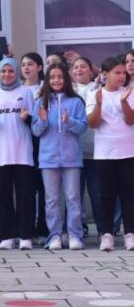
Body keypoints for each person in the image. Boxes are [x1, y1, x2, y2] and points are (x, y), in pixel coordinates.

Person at [32, 63, 87, 250]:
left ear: (66, 79)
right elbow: (36, 131)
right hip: (48, 159)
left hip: (72, 158)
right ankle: (54, 235)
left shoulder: (76, 101)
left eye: (60, 77)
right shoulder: (40, 102)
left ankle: (74, 235)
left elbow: (82, 128)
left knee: (73, 198)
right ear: (47, 80)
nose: (56, 80)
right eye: (52, 77)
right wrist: (43, 120)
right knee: (52, 199)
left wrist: (68, 121)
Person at [0, 57, 36, 250]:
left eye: (11, 71)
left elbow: (35, 121)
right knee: (3, 196)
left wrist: (27, 118)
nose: (7, 75)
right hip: (0, 154)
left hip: (23, 153)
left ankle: (25, 236)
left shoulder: (26, 92)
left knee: (26, 196)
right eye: (3, 71)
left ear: (16, 73)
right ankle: (7, 235)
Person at [85, 57, 134, 251]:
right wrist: (98, 104)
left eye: (124, 73)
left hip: (128, 151)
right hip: (104, 153)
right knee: (105, 195)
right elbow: (93, 123)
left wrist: (123, 103)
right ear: (105, 75)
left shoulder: (129, 92)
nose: (122, 76)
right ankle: (107, 234)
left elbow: (131, 120)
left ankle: (130, 233)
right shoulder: (94, 94)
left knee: (129, 195)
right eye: (117, 73)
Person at [21, 52, 50, 242]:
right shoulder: (17, 90)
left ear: (39, 67)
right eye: (23, 64)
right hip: (22, 144)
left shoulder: (46, 89)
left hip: (43, 142)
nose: (26, 68)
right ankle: (27, 229)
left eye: (30, 64)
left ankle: (44, 229)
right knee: (27, 188)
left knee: (44, 188)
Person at [71, 56, 101, 241]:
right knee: (75, 193)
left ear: (91, 70)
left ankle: (103, 228)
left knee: (97, 192)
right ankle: (78, 227)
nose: (79, 70)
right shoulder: (68, 91)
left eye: (83, 67)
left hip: (95, 151)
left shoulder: (99, 89)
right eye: (76, 67)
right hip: (72, 152)